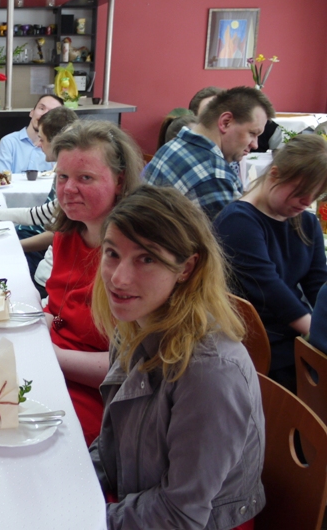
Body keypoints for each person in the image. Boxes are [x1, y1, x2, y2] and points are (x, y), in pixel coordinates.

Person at [90, 185, 264, 530]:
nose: (119, 278)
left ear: (186, 268)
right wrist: (71, 482)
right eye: (112, 253)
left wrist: (79, 519)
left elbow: (180, 514)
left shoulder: (211, 373)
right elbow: (112, 448)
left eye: (147, 258)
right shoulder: (136, 324)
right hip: (141, 504)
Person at [43, 120, 144, 445]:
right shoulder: (68, 234)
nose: (68, 189)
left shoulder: (136, 256)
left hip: (102, 398)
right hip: (55, 370)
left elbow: (132, 365)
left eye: (85, 178)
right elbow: (58, 312)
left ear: (120, 181)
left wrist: (47, 355)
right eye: (62, 177)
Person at [214, 134, 327, 391]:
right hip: (255, 342)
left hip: (290, 333)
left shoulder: (306, 222)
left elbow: (318, 284)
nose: (307, 202)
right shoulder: (238, 221)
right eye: (301, 192)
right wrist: (317, 333)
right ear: (275, 174)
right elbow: (270, 291)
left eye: (315, 194)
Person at [144, 86, 275, 219]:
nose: (255, 144)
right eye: (252, 133)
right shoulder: (214, 177)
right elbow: (238, 230)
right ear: (225, 122)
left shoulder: (173, 146)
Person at [0, 105, 78, 296]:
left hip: (46, 270)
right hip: (45, 267)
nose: (38, 144)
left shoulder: (70, 182)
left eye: (42, 139)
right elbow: (40, 214)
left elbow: (55, 233)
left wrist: (15, 246)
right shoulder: (63, 173)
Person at [0, 94, 63, 173]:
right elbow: (3, 178)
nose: (44, 115)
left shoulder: (58, 147)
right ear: (32, 112)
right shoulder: (9, 142)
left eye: (51, 113)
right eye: (41, 108)